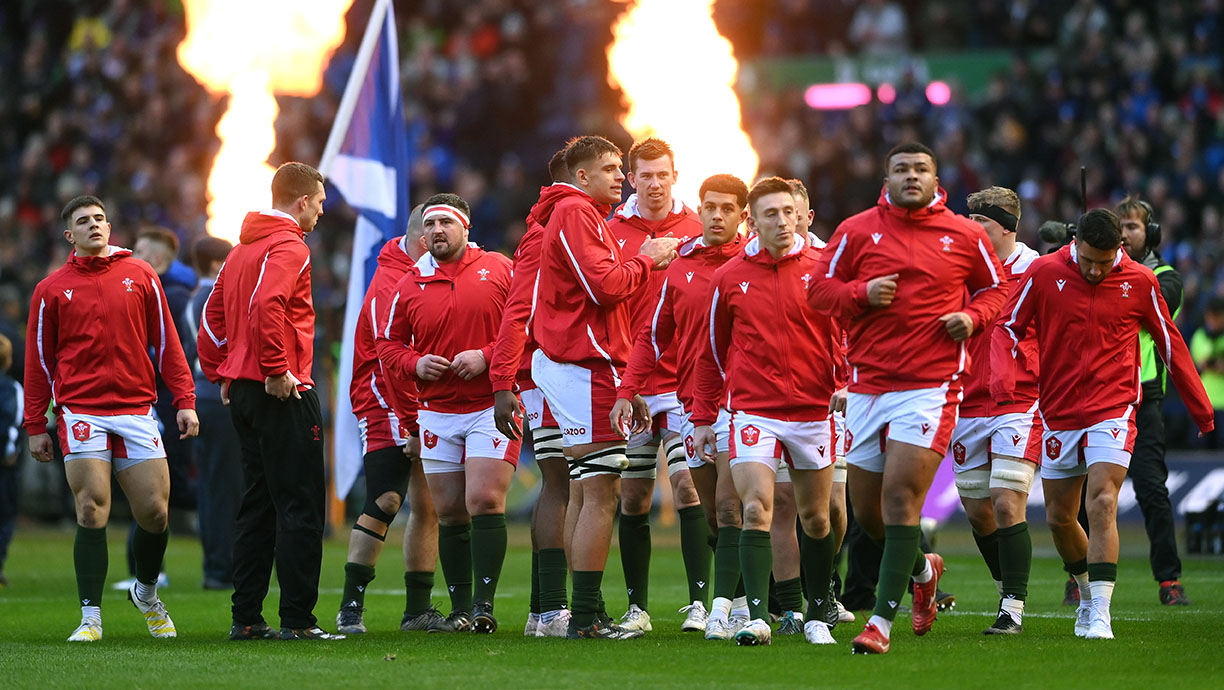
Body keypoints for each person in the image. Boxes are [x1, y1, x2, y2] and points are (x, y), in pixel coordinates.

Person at [809, 142, 1008, 655]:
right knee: (868, 516)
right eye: (902, 168)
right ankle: (924, 569)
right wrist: (861, 294)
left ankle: (879, 623)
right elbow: (818, 293)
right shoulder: (856, 231)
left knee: (900, 500)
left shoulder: (963, 234)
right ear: (888, 177)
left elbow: (997, 290)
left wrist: (973, 318)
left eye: (921, 168)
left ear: (935, 179)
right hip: (867, 386)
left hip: (931, 386)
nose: (911, 176)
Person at [993, 209, 1214, 640]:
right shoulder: (1043, 273)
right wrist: (1009, 379)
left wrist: (1200, 409)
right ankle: (1085, 591)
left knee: (1102, 503)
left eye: (1105, 260)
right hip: (1056, 410)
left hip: (1113, 408)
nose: (1096, 270)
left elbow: (1170, 341)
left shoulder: (1140, 281)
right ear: (1074, 245)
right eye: (1089, 259)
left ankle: (1101, 614)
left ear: (1122, 249)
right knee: (1060, 516)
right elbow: (1008, 327)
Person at [25, 195, 199, 642]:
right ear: (70, 235)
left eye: (100, 218)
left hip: (137, 409)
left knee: (156, 514)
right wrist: (34, 425)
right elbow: (39, 362)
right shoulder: (50, 289)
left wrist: (185, 398)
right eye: (84, 221)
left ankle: (145, 592)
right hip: (80, 410)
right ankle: (90, 619)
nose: (95, 225)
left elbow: (168, 342)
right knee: (90, 508)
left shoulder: (139, 274)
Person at [529, 135, 679, 639]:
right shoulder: (576, 212)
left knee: (581, 493)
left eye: (620, 168)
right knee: (600, 496)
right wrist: (649, 257)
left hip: (581, 364)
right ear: (582, 177)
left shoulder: (576, 213)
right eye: (610, 168)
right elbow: (605, 286)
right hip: (583, 366)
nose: (621, 176)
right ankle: (587, 618)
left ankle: (574, 612)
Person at [689, 177, 841, 647]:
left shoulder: (825, 269)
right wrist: (701, 419)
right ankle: (757, 617)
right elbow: (712, 353)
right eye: (769, 214)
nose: (780, 220)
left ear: (799, 216)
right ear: (752, 222)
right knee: (755, 508)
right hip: (753, 410)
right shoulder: (730, 276)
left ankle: (817, 612)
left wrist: (846, 383)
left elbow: (849, 336)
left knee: (816, 518)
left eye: (786, 212)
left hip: (814, 412)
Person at [196, 162, 339, 641]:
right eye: (319, 202)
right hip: (281, 388)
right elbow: (266, 306)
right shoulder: (289, 245)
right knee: (300, 504)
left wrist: (222, 369)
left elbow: (212, 313)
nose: (321, 211)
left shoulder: (241, 249)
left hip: (241, 390)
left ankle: (247, 618)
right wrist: (277, 369)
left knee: (256, 503)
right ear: (301, 202)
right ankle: (298, 620)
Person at [614, 174, 750, 640]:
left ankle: (727, 607)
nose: (715, 216)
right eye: (709, 207)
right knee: (715, 513)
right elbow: (654, 336)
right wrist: (626, 387)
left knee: (736, 508)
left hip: (750, 403)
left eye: (726, 208)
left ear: (741, 215)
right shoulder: (682, 264)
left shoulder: (758, 263)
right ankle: (749, 598)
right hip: (697, 404)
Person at [377, 193, 518, 634]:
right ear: (421, 233)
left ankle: (483, 604)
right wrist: (414, 363)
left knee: (485, 500)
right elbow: (387, 346)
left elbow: (523, 329)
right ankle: (460, 609)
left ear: (466, 228)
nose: (438, 230)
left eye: (447, 223)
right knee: (452, 512)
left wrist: (487, 357)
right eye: (431, 224)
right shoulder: (408, 283)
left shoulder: (499, 268)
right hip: (436, 411)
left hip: (488, 406)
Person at [605, 137, 705, 634]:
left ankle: (701, 605)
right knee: (634, 497)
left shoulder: (698, 227)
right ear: (631, 178)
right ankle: (637, 608)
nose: (655, 182)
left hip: (685, 382)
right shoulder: (611, 230)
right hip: (634, 382)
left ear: (675, 175)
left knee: (690, 489)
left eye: (663, 174)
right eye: (645, 175)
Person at [333, 204, 446, 634]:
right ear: (424, 240)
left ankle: (417, 610)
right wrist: (413, 425)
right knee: (386, 499)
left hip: (425, 399)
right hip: (384, 397)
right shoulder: (392, 280)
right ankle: (350, 608)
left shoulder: (429, 272)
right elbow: (388, 359)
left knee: (429, 503)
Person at [948, 186, 1041, 634]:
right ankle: (1010, 583)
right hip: (966, 402)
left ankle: (1012, 607)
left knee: (1007, 503)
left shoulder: (1039, 271)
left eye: (978, 221)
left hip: (1018, 400)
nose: (969, 227)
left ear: (1004, 226)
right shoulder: (959, 271)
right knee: (977, 510)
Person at [490, 148, 572, 638]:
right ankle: (555, 608)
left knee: (565, 485)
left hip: (547, 373)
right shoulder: (549, 234)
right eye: (609, 172)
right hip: (549, 374)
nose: (619, 181)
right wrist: (504, 382)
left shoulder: (547, 229)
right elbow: (518, 310)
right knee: (567, 484)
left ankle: (544, 609)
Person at [1115, 196, 1193, 605]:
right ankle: (1078, 577)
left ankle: (1169, 579)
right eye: (1120, 227)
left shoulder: (1165, 277)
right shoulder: (1100, 272)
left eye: (1133, 227)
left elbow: (1151, 305)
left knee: (1151, 490)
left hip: (1144, 398)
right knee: (1081, 492)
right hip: (1103, 398)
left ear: (1151, 234)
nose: (1125, 234)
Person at [182, 235, 240, 590]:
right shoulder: (212, 297)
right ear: (218, 264)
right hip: (218, 394)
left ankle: (218, 564)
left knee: (213, 486)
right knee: (225, 485)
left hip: (202, 393)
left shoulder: (193, 298)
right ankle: (221, 568)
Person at [0, 333, 22, 588]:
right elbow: (14, 423)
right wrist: (9, 453)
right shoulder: (13, 389)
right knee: (5, 515)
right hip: (4, 464)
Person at [1190, 297, 1224, 449]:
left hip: (1221, 402)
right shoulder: (1200, 335)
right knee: (1203, 447)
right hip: (1205, 402)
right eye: (1210, 316)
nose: (1213, 320)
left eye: (1216, 317)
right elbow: (1202, 363)